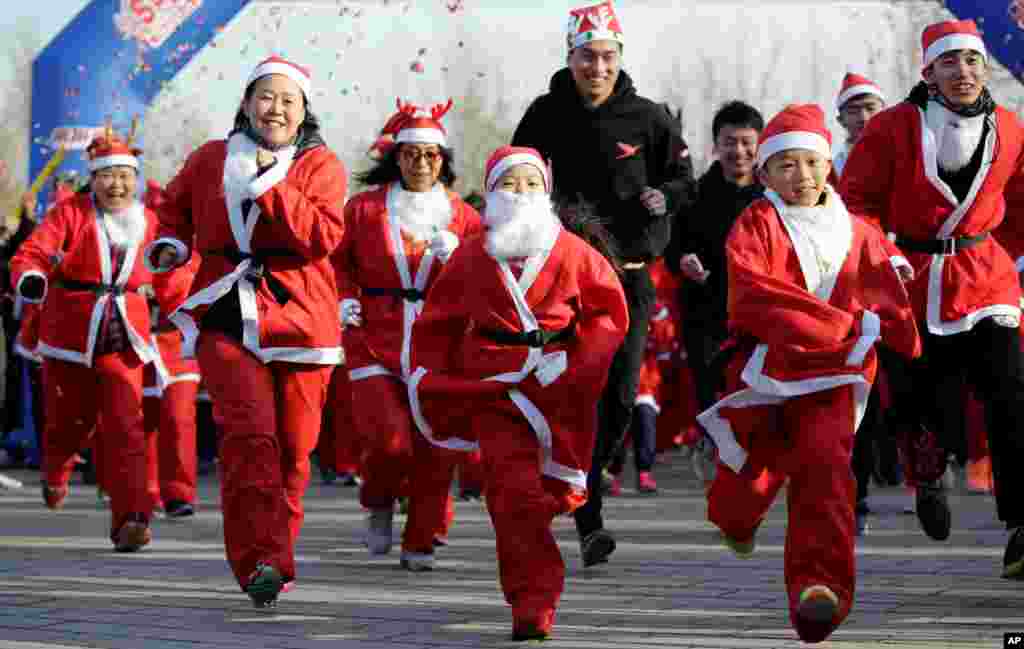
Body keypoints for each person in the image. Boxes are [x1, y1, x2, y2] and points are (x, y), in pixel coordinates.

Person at [699, 104, 921, 643]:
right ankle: (736, 519)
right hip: (769, 369)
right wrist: (839, 324)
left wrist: (895, 313)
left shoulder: (855, 228)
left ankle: (819, 589)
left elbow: (884, 281)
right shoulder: (757, 222)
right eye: (787, 166)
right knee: (752, 472)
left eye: (812, 163)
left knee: (826, 470)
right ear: (767, 173)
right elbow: (755, 295)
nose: (802, 177)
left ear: (829, 167)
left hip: (836, 376)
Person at [146, 56, 347, 606]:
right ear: (245, 103)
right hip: (227, 312)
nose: (275, 108)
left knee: (293, 455)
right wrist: (170, 245)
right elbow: (173, 211)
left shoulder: (321, 166)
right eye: (265, 96)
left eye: (288, 100)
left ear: (304, 110)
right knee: (249, 439)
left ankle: (274, 553)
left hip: (303, 319)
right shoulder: (211, 158)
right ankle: (263, 561)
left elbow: (321, 237)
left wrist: (266, 181)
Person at [407, 145, 628, 640]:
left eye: (531, 183)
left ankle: (542, 532)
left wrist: (579, 365)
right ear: (490, 194)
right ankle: (532, 602)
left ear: (545, 193)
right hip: (493, 388)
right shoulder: (470, 254)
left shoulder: (574, 252)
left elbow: (609, 315)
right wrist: (429, 374)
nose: (520, 192)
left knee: (545, 495)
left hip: (559, 389)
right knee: (510, 495)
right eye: (509, 184)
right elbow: (438, 323)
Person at [511, 0, 695, 566]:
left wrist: (667, 198)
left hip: (630, 279)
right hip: (563, 276)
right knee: (567, 391)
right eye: (587, 57)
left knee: (619, 397)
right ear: (570, 59)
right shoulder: (544, 114)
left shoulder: (648, 116)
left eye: (607, 56)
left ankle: (585, 486)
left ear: (620, 58)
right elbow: (513, 174)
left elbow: (686, 178)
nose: (598, 67)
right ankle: (581, 513)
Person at [839, 20, 1024, 579]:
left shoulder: (1011, 129)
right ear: (928, 73)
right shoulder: (892, 128)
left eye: (972, 61)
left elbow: (1020, 203)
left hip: (986, 278)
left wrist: (1011, 257)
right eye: (950, 63)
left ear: (984, 68)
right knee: (926, 399)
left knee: (1011, 393)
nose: (963, 73)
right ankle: (926, 475)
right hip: (911, 277)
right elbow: (857, 203)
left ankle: (1021, 525)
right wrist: (875, 259)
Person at [332, 99, 481, 571]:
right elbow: (336, 262)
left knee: (436, 444)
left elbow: (488, 277)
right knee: (389, 441)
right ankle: (377, 501)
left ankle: (420, 539)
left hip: (438, 343)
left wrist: (462, 257)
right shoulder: (364, 209)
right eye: (411, 153)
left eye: (431, 155)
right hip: (375, 333)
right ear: (395, 157)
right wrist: (343, 295)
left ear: (444, 160)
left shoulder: (464, 218)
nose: (421, 163)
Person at [10, 128, 160, 552]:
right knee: (68, 423)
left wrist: (188, 302)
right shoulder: (69, 213)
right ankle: (56, 469)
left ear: (136, 179)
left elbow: (172, 267)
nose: (118, 184)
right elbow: (32, 254)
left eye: (125, 176)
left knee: (127, 427)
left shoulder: (148, 220)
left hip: (124, 333)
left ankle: (131, 518)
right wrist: (33, 279)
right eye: (108, 175)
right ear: (92, 179)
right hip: (71, 333)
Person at [833, 73, 886, 178]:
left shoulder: (905, 154)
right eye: (853, 111)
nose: (864, 117)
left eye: (870, 108)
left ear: (886, 113)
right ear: (841, 120)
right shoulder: (833, 168)